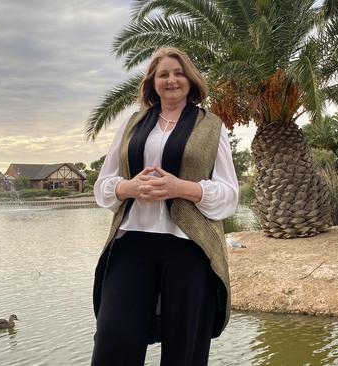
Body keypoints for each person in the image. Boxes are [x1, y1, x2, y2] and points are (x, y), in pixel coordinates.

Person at [91, 47, 239, 366]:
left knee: (184, 349)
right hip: (131, 242)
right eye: (163, 74)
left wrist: (180, 188)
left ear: (190, 79)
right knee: (112, 341)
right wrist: (130, 187)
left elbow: (229, 195)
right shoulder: (132, 124)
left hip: (189, 246)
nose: (171, 80)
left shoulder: (212, 127)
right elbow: (103, 186)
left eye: (178, 72)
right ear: (152, 83)